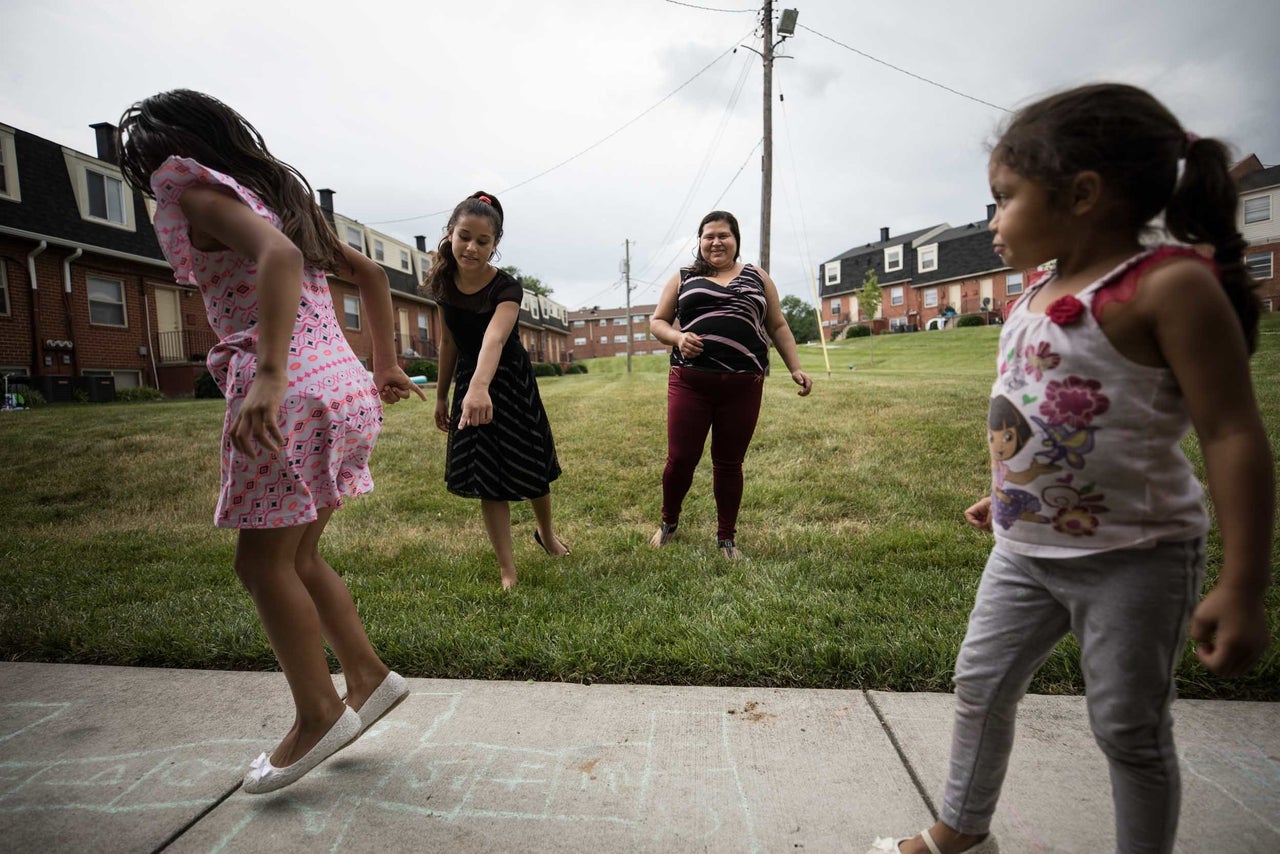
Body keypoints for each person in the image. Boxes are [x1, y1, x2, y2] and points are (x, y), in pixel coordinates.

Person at [869, 83, 1273, 854]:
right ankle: (962, 832)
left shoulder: (1167, 286)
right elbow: (1035, 413)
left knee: (1128, 726)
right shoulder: (1031, 295)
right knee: (980, 687)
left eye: (1004, 199)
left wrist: (1243, 583)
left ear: (1081, 193)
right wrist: (1007, 492)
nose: (993, 222)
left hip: (1135, 557)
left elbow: (1232, 433)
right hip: (1024, 551)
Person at [119, 90, 424, 794]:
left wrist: (270, 373)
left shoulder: (194, 193)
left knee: (261, 566)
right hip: (343, 385)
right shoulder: (275, 192)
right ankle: (369, 679)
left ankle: (318, 712)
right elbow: (373, 276)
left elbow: (280, 259)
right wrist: (381, 362)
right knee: (299, 555)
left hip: (294, 390)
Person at [649, 210, 812, 559]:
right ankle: (668, 522)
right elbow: (658, 322)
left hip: (744, 384)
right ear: (700, 241)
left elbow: (778, 326)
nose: (716, 241)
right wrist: (678, 338)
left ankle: (726, 538)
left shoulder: (757, 276)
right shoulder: (683, 277)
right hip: (691, 382)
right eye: (709, 236)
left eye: (724, 235)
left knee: (729, 462)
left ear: (736, 240)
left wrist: (795, 368)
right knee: (681, 459)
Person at [426, 192, 568, 590]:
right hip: (472, 382)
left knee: (533, 466)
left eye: (482, 241)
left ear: (495, 244)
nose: (471, 248)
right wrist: (441, 396)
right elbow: (449, 343)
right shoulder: (442, 283)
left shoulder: (507, 287)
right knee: (489, 476)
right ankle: (508, 569)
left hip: (508, 379)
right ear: (450, 234)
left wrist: (479, 388)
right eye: (464, 237)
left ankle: (547, 534)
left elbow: (494, 338)